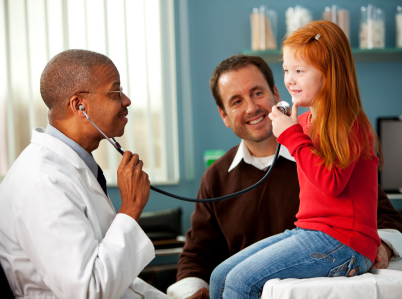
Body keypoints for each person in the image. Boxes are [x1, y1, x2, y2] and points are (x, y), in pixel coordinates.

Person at [167, 50, 402, 299]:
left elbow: (385, 215)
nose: (252, 107)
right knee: (222, 278)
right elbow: (196, 255)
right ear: (224, 115)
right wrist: (191, 293)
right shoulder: (216, 177)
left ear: (276, 95)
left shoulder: (323, 150)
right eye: (236, 101)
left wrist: (383, 246)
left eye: (257, 93)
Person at [0, 49, 171, 298]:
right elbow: (89, 290)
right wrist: (130, 209)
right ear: (80, 105)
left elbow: (121, 281)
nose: (126, 101)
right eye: (116, 92)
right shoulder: (43, 182)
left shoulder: (74, 167)